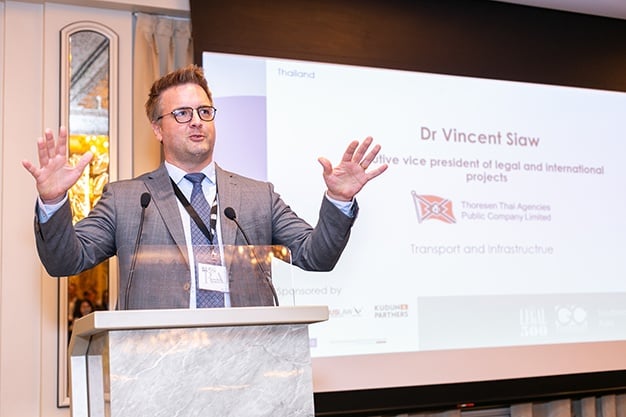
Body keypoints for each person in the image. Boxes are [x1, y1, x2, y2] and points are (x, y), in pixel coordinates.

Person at [22, 64, 388, 310]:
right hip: (158, 368)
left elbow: (316, 257)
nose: (196, 121)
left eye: (204, 111)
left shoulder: (257, 196)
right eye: (182, 114)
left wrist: (338, 200)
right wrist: (53, 201)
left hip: (250, 364)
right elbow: (65, 261)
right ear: (157, 128)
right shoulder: (127, 199)